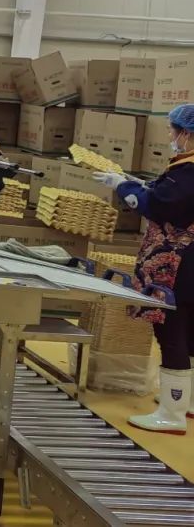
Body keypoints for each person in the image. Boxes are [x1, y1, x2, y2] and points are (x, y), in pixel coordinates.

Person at [94, 104, 194, 435]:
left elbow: (158, 205)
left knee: (172, 333)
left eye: (172, 130)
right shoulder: (184, 170)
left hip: (178, 266)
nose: (170, 136)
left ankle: (172, 413)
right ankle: (188, 402)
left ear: (187, 133)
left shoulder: (188, 172)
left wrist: (123, 187)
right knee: (191, 333)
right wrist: (138, 183)